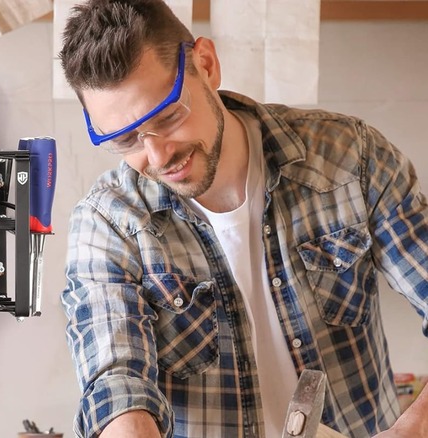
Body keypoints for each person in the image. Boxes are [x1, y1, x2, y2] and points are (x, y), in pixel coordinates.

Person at [57, 1, 428, 437]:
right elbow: (115, 380)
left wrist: (414, 428)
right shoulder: (110, 223)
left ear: (207, 65)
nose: (158, 156)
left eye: (169, 116)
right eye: (126, 139)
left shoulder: (349, 157)